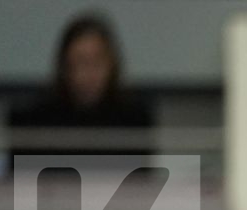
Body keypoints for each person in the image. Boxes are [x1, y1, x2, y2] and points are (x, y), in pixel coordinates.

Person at [9, 13, 153, 159]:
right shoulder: (35, 121)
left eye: (97, 62)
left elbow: (140, 177)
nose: (90, 72)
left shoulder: (133, 119)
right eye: (81, 61)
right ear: (65, 67)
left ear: (112, 64)